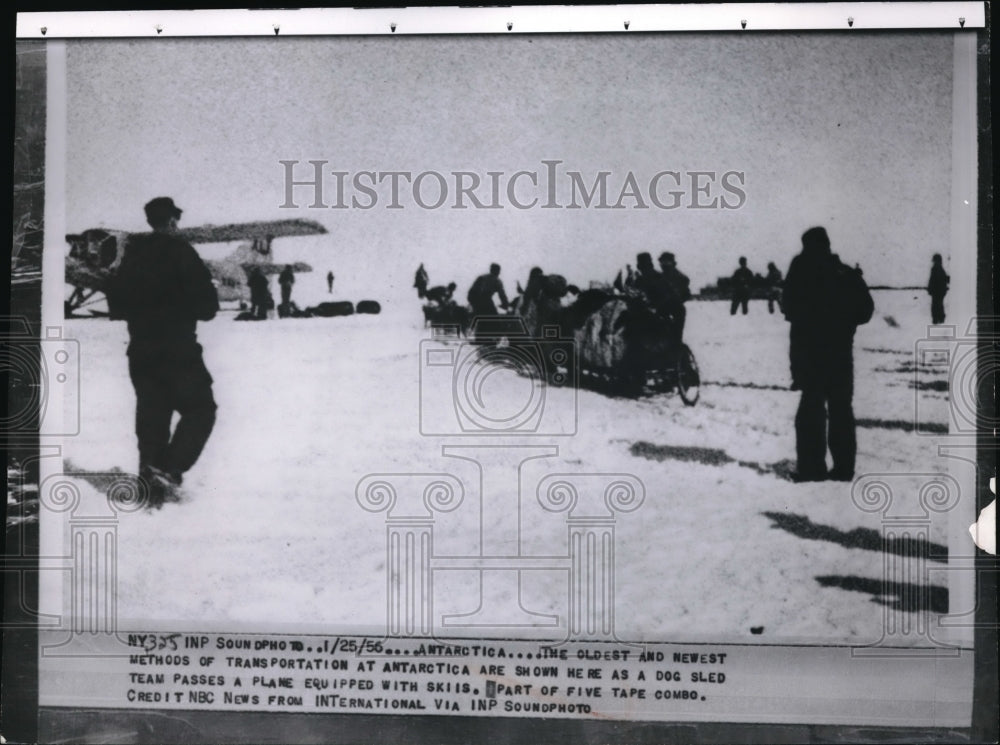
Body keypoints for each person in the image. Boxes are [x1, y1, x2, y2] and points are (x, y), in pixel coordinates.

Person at [106, 197, 218, 503]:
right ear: (172, 221)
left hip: (141, 351)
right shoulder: (182, 252)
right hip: (178, 351)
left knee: (152, 418)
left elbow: (116, 306)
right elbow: (208, 307)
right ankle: (169, 471)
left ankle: (150, 478)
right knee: (200, 410)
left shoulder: (131, 257)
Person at [782, 227, 874, 482]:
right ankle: (844, 469)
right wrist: (844, 323)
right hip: (840, 352)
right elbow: (865, 311)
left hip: (811, 354)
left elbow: (787, 306)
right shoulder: (844, 272)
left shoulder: (801, 268)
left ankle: (812, 470)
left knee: (811, 410)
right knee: (841, 409)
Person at [658, 251, 691, 342]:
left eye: (667, 262)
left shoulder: (681, 278)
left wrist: (677, 300)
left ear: (673, 263)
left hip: (676, 310)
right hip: (662, 309)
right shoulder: (660, 277)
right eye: (662, 262)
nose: (664, 265)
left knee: (675, 338)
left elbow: (686, 294)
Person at [927, 253, 949, 324]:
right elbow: (945, 280)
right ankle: (940, 318)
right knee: (939, 304)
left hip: (936, 291)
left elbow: (932, 280)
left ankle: (936, 319)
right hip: (940, 291)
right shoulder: (941, 269)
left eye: (934, 261)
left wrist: (930, 289)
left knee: (935, 305)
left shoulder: (935, 269)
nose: (933, 262)